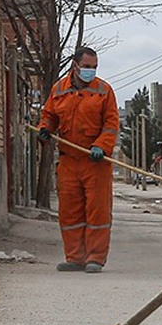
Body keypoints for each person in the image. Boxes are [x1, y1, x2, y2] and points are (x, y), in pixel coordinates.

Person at [37, 46, 119, 274]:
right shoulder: (59, 89)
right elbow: (49, 115)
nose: (90, 71)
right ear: (75, 65)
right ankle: (74, 257)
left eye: (94, 68)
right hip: (69, 161)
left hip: (96, 162)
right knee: (70, 211)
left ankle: (95, 257)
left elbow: (111, 124)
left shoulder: (104, 91)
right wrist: (44, 129)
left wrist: (101, 146)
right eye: (86, 67)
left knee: (97, 211)